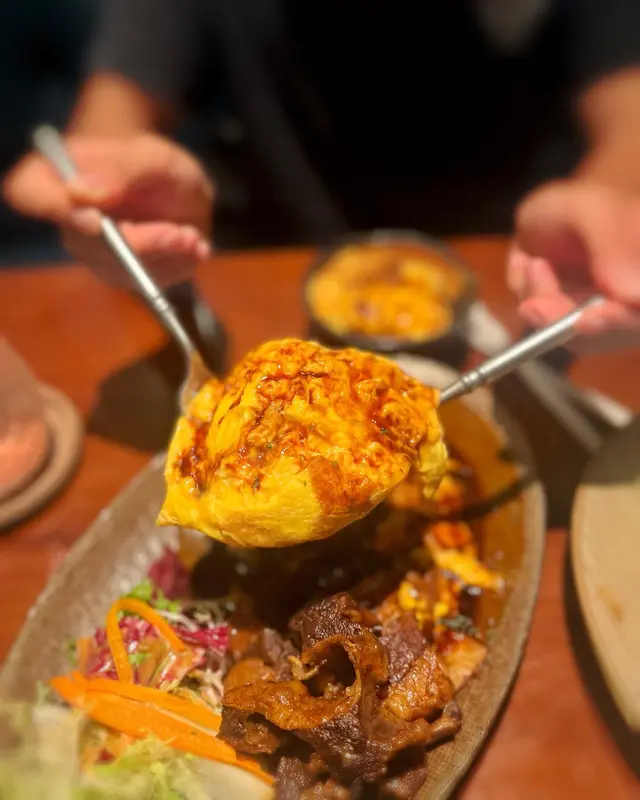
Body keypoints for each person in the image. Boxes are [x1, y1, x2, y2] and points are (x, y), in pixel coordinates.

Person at [4, 0, 640, 342]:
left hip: (502, 284)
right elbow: (114, 111)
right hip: (269, 278)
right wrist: (105, 191)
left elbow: (629, 112)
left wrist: (607, 197)